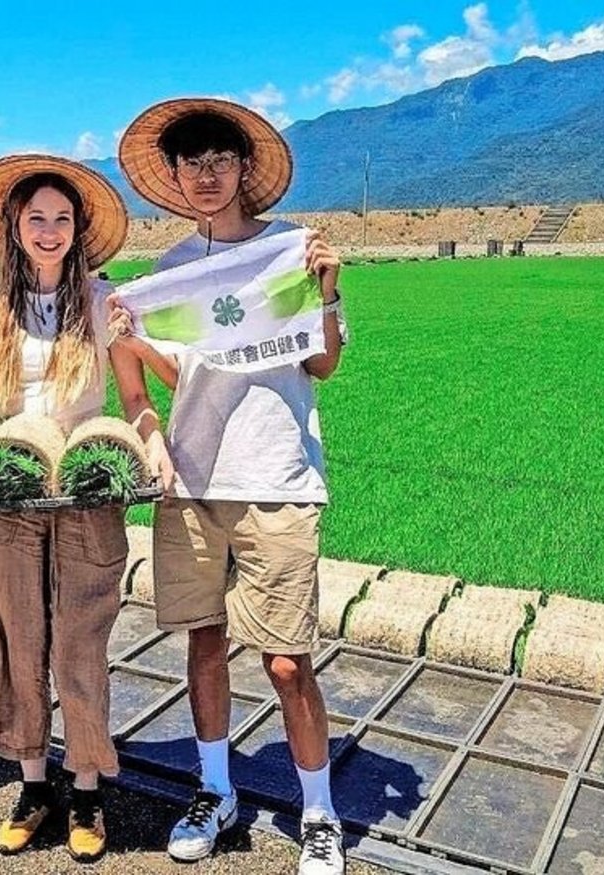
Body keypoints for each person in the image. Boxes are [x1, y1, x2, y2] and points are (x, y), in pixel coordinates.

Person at [111, 98, 349, 874]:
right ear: (175, 177)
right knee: (204, 644)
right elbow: (189, 375)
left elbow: (320, 364)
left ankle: (318, 812)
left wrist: (329, 295)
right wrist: (133, 341)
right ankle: (216, 791)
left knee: (286, 660)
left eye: (220, 161)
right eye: (192, 164)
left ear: (245, 169)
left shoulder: (290, 252)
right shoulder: (172, 271)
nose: (206, 176)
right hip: (194, 479)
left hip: (277, 474)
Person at [0, 154, 169, 863]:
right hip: (8, 494)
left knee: (79, 647)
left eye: (63, 218)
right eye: (37, 218)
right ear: (15, 226)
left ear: (78, 226)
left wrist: (155, 445)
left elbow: (135, 398)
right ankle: (34, 781)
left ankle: (86, 786)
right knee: (15, 641)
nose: (51, 230)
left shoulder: (103, 302)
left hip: (86, 494)